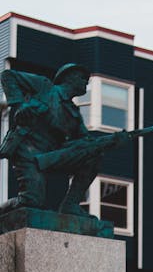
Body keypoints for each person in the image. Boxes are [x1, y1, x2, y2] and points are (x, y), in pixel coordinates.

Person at [0, 63, 98, 216]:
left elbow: (85, 141)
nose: (86, 81)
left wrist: (110, 141)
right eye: (83, 78)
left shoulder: (74, 113)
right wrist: (19, 105)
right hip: (28, 151)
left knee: (92, 157)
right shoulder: (44, 87)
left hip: (52, 155)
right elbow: (7, 76)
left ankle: (70, 205)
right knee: (31, 201)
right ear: (69, 77)